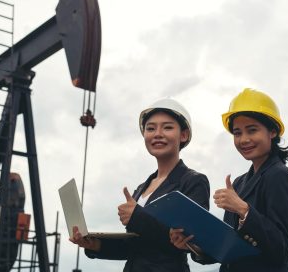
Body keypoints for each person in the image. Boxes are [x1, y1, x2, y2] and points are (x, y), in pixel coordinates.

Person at [170, 88, 288, 272]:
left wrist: (244, 210)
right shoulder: (239, 184)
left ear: (272, 131)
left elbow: (281, 249)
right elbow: (228, 249)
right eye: (237, 133)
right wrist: (192, 245)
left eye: (252, 130)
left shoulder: (282, 177)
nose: (244, 139)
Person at [70, 97, 210, 272]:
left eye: (167, 127)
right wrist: (94, 244)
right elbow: (136, 248)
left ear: (184, 135)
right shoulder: (141, 189)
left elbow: (188, 237)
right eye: (150, 128)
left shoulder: (193, 181)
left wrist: (137, 216)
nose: (157, 133)